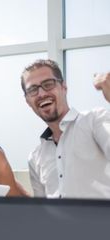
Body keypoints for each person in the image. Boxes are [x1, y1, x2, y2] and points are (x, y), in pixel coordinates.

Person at [21, 59, 110, 198]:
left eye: (48, 84)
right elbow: (43, 211)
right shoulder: (35, 157)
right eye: (33, 90)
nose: (41, 94)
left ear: (64, 87)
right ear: (27, 101)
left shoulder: (94, 120)